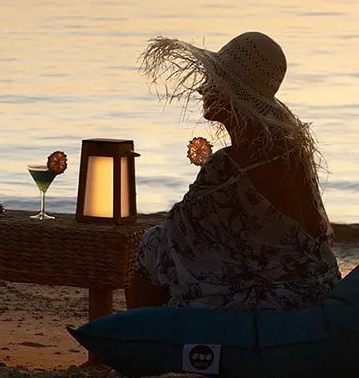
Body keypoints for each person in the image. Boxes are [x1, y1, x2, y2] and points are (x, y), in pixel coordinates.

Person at [127, 31, 340, 310]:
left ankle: (143, 345)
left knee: (152, 246)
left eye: (212, 80)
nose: (202, 89)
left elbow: (175, 235)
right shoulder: (290, 151)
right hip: (315, 284)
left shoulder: (232, 166)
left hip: (276, 299)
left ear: (230, 92)